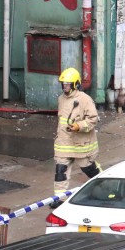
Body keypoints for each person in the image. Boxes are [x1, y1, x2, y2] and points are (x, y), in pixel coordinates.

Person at [51, 67, 101, 206]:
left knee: (89, 169)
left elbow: (93, 119)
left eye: (68, 84)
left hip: (81, 144)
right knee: (61, 171)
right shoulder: (61, 99)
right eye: (64, 84)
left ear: (75, 84)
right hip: (64, 143)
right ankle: (59, 199)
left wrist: (79, 126)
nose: (65, 86)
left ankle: (104, 188)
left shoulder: (85, 100)